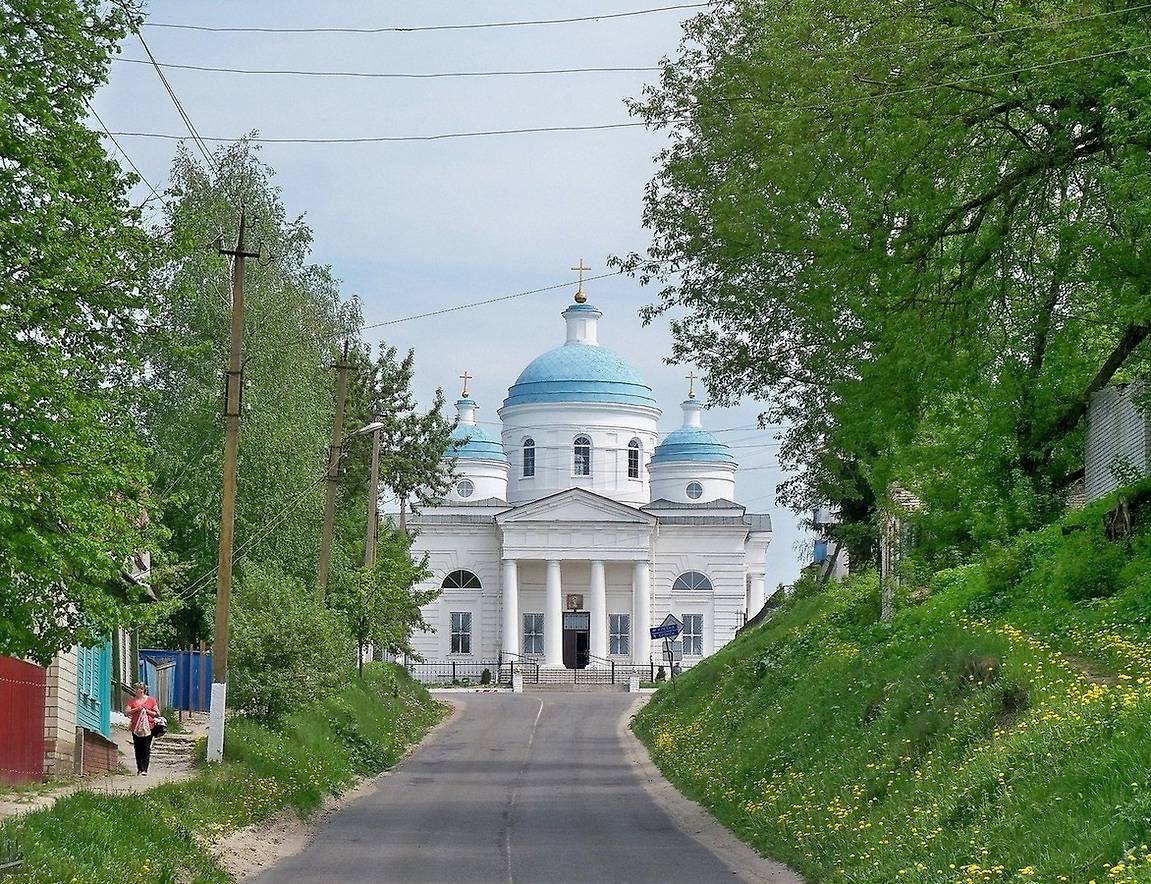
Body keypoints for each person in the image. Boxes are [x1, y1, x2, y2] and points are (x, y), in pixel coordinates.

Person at [125, 681, 159, 775]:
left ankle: (144, 769)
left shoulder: (151, 700)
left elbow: (157, 714)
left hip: (149, 727)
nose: (136, 691)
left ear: (143, 690)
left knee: (146, 747)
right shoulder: (132, 701)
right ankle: (139, 768)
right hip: (136, 727)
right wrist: (136, 709)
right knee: (138, 747)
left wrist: (147, 711)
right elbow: (126, 712)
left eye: (137, 689)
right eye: (135, 689)